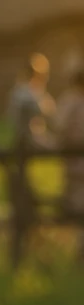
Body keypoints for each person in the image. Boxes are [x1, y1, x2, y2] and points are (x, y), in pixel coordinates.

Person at [53, 66, 84, 260]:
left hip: (74, 162)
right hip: (77, 162)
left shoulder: (70, 101)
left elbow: (59, 126)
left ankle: (79, 251)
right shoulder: (74, 101)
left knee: (77, 205)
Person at [7, 53, 56, 150]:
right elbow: (49, 113)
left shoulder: (23, 89)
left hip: (26, 136)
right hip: (29, 138)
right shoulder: (26, 91)